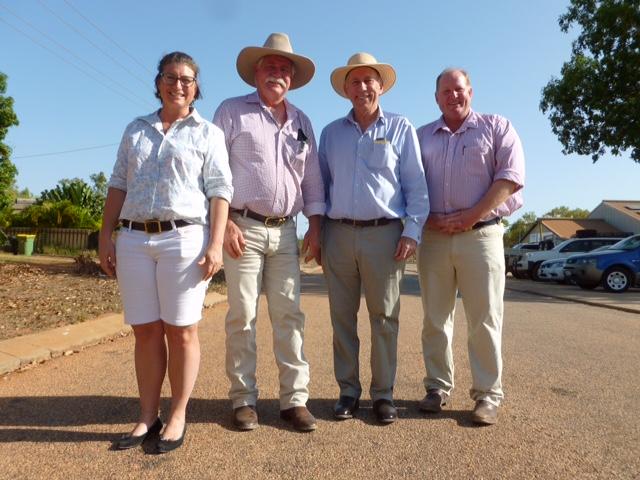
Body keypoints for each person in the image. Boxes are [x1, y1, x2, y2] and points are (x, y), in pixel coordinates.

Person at [99, 51, 232, 452]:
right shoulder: (135, 130)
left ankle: (178, 414)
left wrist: (215, 244)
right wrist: (106, 234)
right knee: (145, 330)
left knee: (182, 330)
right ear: (158, 83)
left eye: (187, 79)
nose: (178, 84)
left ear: (196, 88)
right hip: (135, 239)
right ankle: (146, 416)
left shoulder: (208, 133)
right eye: (170, 77)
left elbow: (220, 190)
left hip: (184, 238)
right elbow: (119, 183)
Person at [212, 33, 324, 432]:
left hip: (286, 234)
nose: (278, 74)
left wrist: (316, 225)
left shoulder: (302, 122)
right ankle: (243, 399)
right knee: (242, 314)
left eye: (284, 69)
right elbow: (213, 172)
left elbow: (311, 180)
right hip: (241, 227)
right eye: (271, 66)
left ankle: (294, 400)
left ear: (291, 78)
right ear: (256, 72)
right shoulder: (230, 112)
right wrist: (223, 222)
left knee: (289, 315)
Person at [319, 53, 429, 424]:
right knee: (341, 318)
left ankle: (383, 394)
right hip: (338, 235)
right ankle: (348, 392)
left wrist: (412, 231)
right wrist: (316, 234)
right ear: (346, 89)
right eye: (356, 81)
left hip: (386, 235)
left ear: (381, 86)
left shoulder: (400, 128)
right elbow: (320, 187)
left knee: (384, 317)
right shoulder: (330, 133)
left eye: (370, 80)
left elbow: (416, 187)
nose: (363, 87)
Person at [416, 68, 525, 425]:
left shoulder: (497, 127)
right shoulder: (421, 137)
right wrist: (427, 219)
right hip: (433, 238)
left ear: (471, 92)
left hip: (482, 235)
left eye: (458, 89)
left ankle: (487, 396)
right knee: (435, 318)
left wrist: (471, 215)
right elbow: (408, 186)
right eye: (445, 91)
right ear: (436, 98)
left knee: (485, 319)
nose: (453, 96)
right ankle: (436, 387)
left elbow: (510, 178)